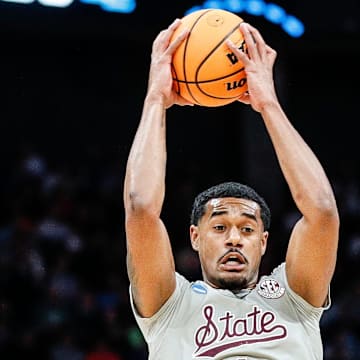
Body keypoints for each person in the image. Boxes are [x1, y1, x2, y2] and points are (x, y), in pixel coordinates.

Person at [123, 18, 340, 359]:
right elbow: (140, 209)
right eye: (220, 226)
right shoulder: (170, 303)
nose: (234, 238)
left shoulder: (293, 296)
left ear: (264, 241)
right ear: (195, 236)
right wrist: (155, 100)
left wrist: (268, 103)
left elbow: (322, 211)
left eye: (248, 229)